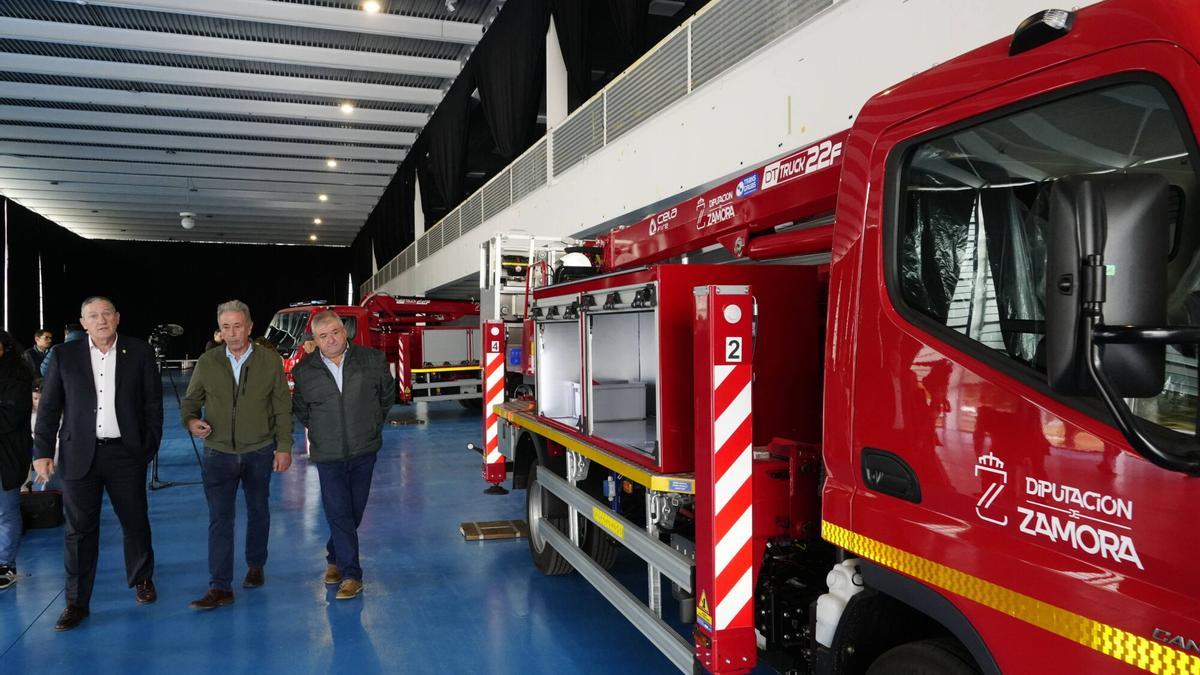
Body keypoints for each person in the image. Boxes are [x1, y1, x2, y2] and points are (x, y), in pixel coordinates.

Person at [33, 297, 162, 630]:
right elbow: (48, 409)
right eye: (94, 316)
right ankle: (76, 603)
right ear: (83, 322)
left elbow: (152, 406)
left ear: (118, 318)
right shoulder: (64, 355)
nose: (101, 320)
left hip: (125, 455)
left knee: (135, 522)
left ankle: (142, 579)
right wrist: (42, 452)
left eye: (107, 314)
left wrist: (145, 450)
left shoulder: (139, 353)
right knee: (78, 532)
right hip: (79, 456)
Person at [180, 300, 293, 610]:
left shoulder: (270, 362)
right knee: (220, 519)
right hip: (218, 454)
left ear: (250, 326)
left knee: (259, 510)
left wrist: (283, 446)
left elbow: (282, 407)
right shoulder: (208, 362)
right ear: (220, 329)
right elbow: (190, 403)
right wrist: (191, 421)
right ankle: (220, 586)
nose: (232, 333)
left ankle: (256, 564)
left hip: (259, 451)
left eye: (238, 326)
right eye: (226, 327)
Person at [291, 310, 394, 600]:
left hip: (364, 449)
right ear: (315, 339)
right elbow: (302, 410)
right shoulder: (304, 370)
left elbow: (387, 396)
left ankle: (334, 556)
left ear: (345, 330)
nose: (331, 340)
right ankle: (351, 574)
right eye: (323, 336)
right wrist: (325, 431)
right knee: (338, 511)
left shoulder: (371, 360)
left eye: (335, 332)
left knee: (354, 512)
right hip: (328, 454)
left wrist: (372, 423)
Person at [0, 330, 34, 590]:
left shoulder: (17, 375)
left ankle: (4, 564)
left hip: (7, 454)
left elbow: (11, 417)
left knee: (5, 510)